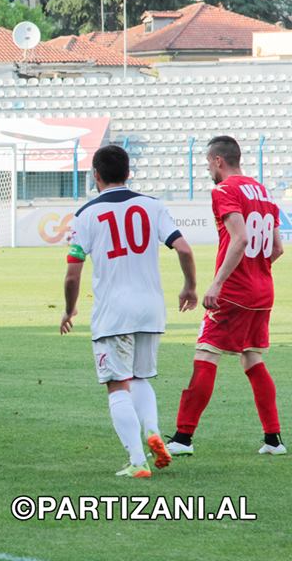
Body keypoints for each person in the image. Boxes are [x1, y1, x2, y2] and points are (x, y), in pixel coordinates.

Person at [60, 145, 197, 479]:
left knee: (117, 385)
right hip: (151, 309)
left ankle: (138, 460)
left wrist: (69, 309)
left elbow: (72, 273)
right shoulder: (153, 206)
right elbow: (183, 247)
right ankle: (152, 429)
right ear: (128, 172)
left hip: (113, 313)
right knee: (140, 377)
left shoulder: (86, 214)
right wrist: (190, 286)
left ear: (96, 175)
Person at [167, 136, 286, 456]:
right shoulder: (263, 192)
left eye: (208, 162)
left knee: (206, 354)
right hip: (263, 291)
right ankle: (273, 439)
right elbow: (277, 248)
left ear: (218, 161)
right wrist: (256, 270)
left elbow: (240, 238)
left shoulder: (224, 190)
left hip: (234, 291)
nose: (207, 168)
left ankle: (182, 438)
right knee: (252, 358)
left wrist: (217, 284)